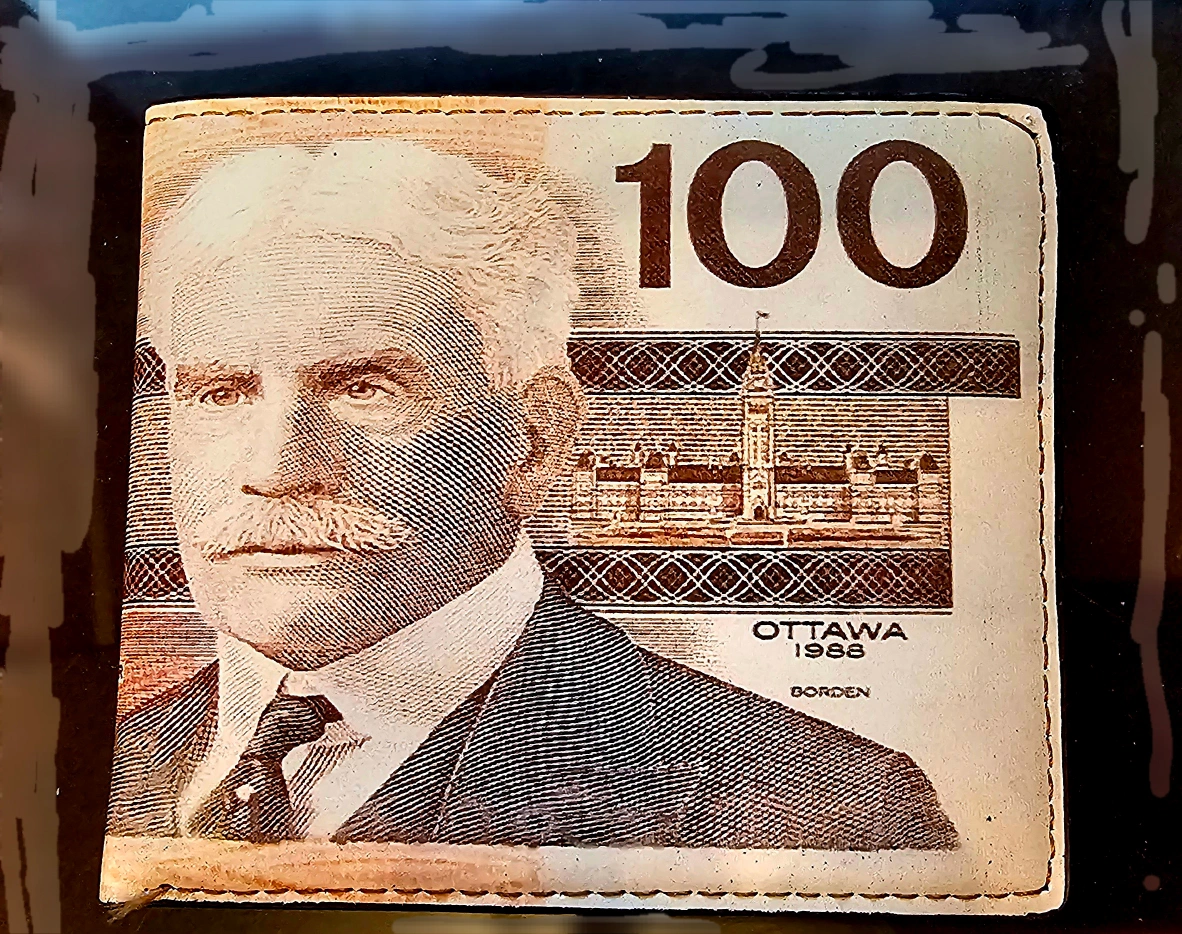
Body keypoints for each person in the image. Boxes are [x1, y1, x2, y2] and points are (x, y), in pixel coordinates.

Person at [107, 139, 957, 850]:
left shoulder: (823, 804)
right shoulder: (108, 757)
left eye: (363, 388)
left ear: (536, 438)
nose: (276, 466)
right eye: (221, 393)